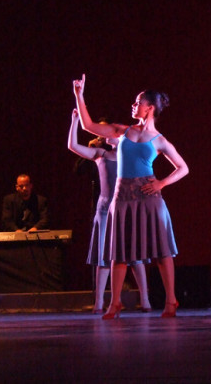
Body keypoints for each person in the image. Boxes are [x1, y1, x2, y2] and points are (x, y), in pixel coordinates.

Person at [72, 75, 189, 319]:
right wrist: (79, 95)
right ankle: (115, 303)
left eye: (138, 102)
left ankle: (171, 301)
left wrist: (162, 183)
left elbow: (183, 167)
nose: (133, 105)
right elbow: (89, 126)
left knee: (162, 250)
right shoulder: (122, 131)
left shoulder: (160, 140)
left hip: (148, 196)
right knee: (119, 252)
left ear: (150, 108)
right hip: (122, 196)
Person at [67, 109, 152, 314]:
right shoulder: (101, 155)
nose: (107, 136)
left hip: (126, 208)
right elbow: (72, 146)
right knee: (104, 255)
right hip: (105, 209)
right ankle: (99, 302)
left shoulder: (129, 156)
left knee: (135, 256)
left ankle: (146, 300)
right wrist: (74, 121)